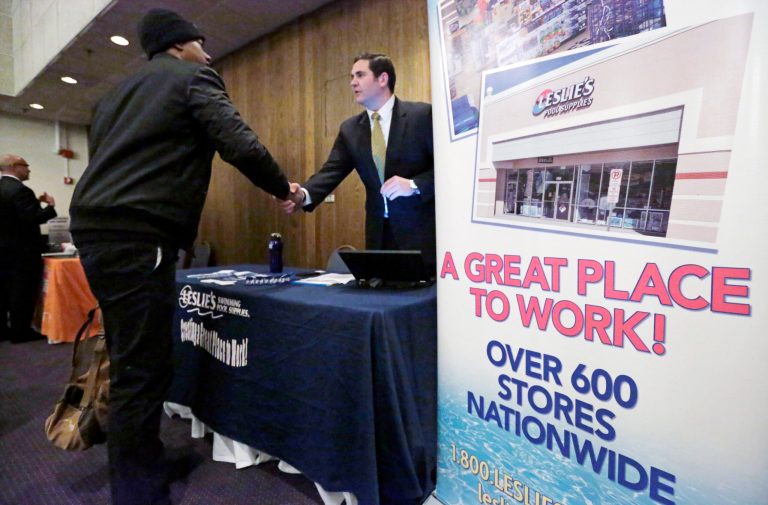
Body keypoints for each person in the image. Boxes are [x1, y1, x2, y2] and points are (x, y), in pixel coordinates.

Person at [69, 9, 301, 505]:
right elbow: (239, 142)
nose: (209, 52)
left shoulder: (113, 97)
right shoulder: (193, 76)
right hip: (138, 233)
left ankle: (146, 462)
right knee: (141, 368)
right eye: (201, 42)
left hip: (95, 231)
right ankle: (136, 492)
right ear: (179, 45)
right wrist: (283, 187)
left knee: (135, 352)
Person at [280, 52, 436, 269]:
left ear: (383, 79)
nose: (353, 82)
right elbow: (331, 171)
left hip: (422, 236)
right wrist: (302, 195)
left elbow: (446, 169)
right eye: (351, 76)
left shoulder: (422, 115)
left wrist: (413, 185)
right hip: (378, 237)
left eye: (360, 75)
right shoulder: (351, 129)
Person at [0, 154, 57, 343]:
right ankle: (20, 332)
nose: (29, 169)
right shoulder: (20, 190)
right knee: (21, 291)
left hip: (3, 251)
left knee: (4, 291)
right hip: (22, 252)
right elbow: (31, 218)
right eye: (26, 165)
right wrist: (50, 206)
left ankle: (3, 331)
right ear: (15, 166)